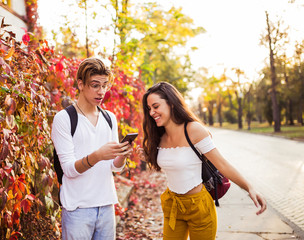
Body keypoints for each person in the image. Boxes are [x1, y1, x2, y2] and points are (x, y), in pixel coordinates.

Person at [140, 82, 267, 240]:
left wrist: (249, 188)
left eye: (156, 106)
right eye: (149, 109)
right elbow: (169, 165)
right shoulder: (158, 136)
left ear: (171, 104)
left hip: (199, 206)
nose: (152, 112)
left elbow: (222, 164)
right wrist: (148, 156)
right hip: (173, 204)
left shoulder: (193, 130)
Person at [51, 58, 132, 240]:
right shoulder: (64, 119)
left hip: (106, 206)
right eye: (95, 85)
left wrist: (122, 156)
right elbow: (69, 170)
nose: (101, 91)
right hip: (77, 209)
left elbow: (115, 167)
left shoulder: (109, 118)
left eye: (104, 85)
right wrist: (97, 156)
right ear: (80, 84)